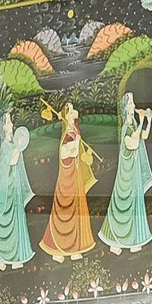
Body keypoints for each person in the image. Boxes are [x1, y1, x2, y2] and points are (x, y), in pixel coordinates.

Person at [38, 102, 99, 259]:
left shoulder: (74, 132)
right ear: (67, 116)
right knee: (64, 210)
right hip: (67, 178)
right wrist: (75, 143)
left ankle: (75, 248)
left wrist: (84, 151)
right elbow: (66, 154)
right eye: (71, 112)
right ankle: (56, 249)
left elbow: (78, 153)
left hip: (75, 176)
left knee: (76, 210)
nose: (74, 114)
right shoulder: (67, 136)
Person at [98, 92, 152, 253]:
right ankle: (114, 241)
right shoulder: (126, 127)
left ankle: (133, 240)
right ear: (125, 108)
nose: (134, 106)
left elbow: (144, 135)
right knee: (122, 202)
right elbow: (132, 143)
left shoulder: (133, 124)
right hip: (126, 172)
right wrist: (142, 121)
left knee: (134, 202)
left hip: (133, 170)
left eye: (133, 103)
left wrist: (149, 120)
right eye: (131, 104)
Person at [0, 109, 36, 267]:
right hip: (7, 189)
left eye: (11, 122)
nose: (11, 125)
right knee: (4, 219)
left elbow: (18, 163)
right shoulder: (6, 146)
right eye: (7, 122)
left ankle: (15, 257)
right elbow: (11, 162)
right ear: (3, 127)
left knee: (16, 219)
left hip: (15, 187)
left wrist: (19, 145)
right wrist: (18, 147)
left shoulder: (12, 144)